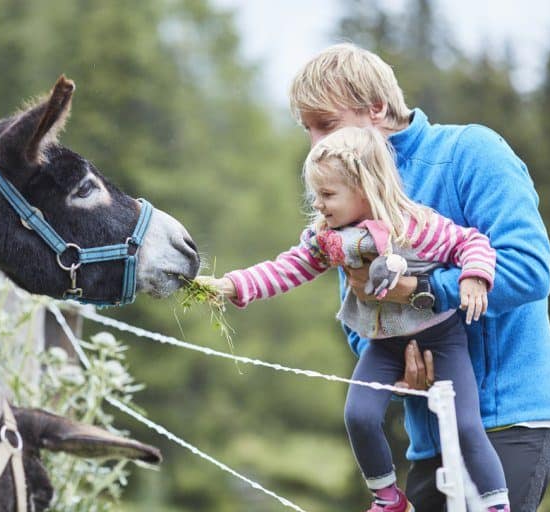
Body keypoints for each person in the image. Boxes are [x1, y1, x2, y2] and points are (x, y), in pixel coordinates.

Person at [284, 43, 550, 512]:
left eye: (327, 125)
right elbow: (360, 322)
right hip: (429, 438)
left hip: (509, 424)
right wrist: (399, 357)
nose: (316, 143)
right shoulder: (346, 191)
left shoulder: (472, 152)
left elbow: (529, 268)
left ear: (376, 108)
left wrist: (424, 292)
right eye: (307, 130)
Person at [199, 126, 509, 512]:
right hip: (384, 343)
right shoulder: (329, 239)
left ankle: (496, 505)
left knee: (465, 426)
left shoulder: (415, 227)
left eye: (328, 194)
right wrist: (232, 285)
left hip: (442, 337)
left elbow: (471, 242)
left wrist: (475, 276)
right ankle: (389, 499)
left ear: (364, 186)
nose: (319, 204)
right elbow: (285, 269)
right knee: (358, 415)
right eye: (317, 195)